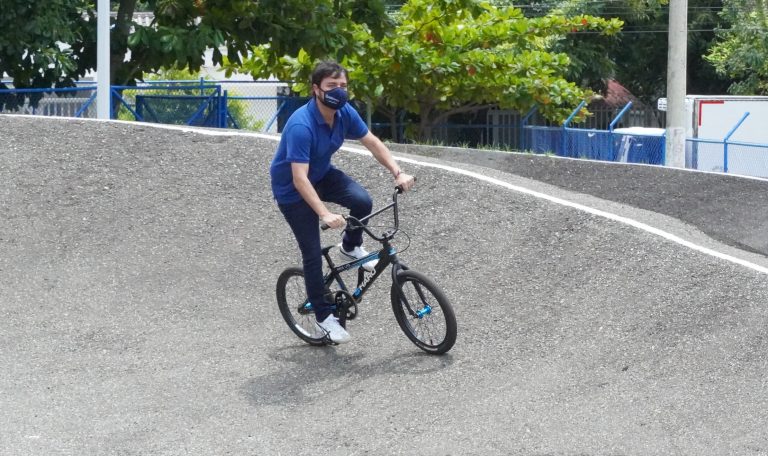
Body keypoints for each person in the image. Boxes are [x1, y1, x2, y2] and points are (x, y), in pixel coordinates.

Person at [270, 61, 415, 344]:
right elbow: (299, 179)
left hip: (322, 175)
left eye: (343, 86)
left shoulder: (344, 112)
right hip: (293, 190)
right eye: (331, 86)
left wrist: (398, 172)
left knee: (362, 201)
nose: (339, 91)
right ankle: (324, 318)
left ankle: (349, 247)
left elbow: (372, 141)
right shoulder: (301, 125)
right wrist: (324, 213)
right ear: (316, 90)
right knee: (312, 253)